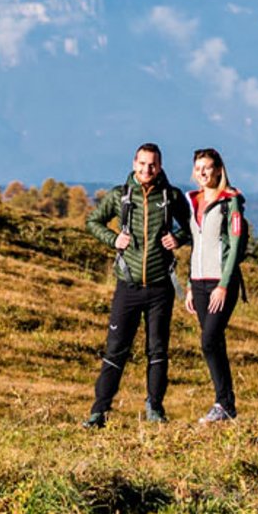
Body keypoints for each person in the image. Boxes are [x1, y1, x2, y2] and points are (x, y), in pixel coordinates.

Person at [84, 141, 191, 426]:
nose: (147, 169)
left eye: (152, 164)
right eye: (143, 164)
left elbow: (193, 228)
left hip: (160, 287)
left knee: (157, 350)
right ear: (134, 164)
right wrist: (113, 239)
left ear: (160, 166)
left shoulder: (171, 196)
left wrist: (178, 238)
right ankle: (99, 411)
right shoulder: (120, 196)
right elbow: (93, 221)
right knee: (115, 349)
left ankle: (155, 409)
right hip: (128, 285)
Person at [184, 146, 249, 425]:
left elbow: (235, 246)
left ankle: (224, 403)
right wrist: (188, 283)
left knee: (209, 340)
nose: (202, 172)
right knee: (214, 342)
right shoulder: (194, 200)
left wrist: (224, 284)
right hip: (198, 283)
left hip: (221, 282)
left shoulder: (229, 201)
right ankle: (226, 405)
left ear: (219, 169)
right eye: (198, 168)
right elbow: (195, 245)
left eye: (207, 167)